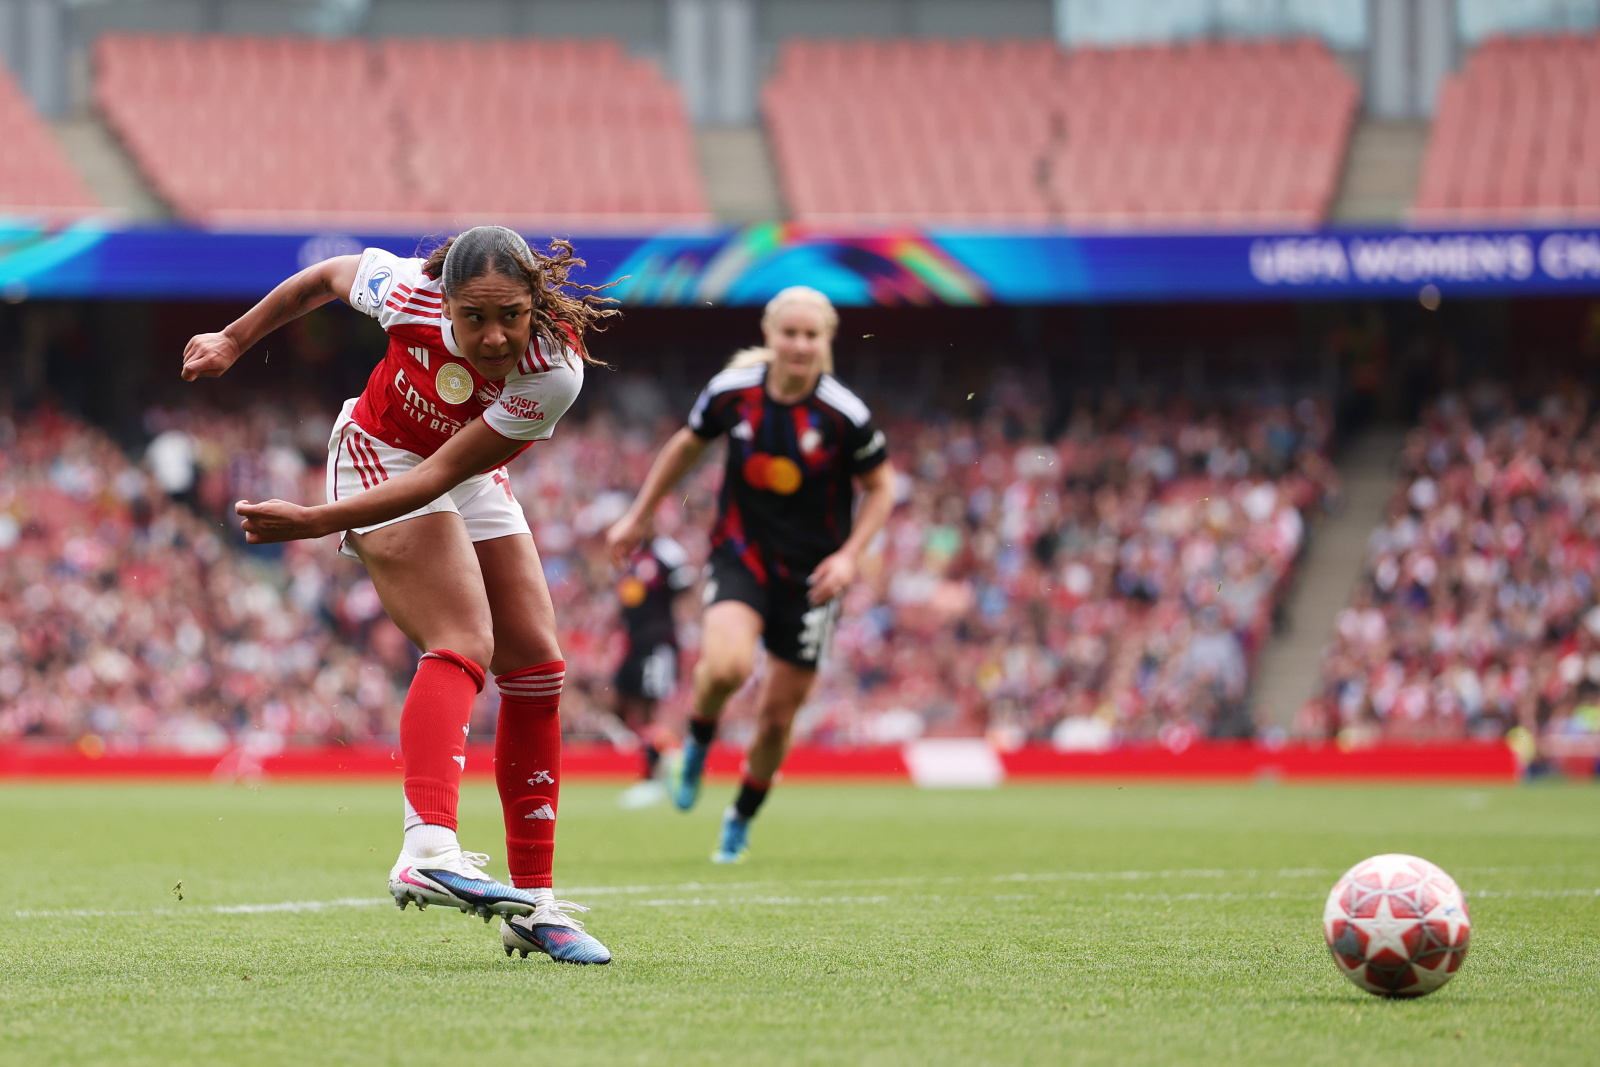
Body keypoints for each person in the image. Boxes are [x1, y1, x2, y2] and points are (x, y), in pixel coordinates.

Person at [185, 225, 615, 964]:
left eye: (509, 314)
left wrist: (315, 521)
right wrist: (231, 337)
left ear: (533, 302)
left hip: (454, 466)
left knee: (539, 666)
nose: (492, 335)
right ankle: (427, 845)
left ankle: (535, 904)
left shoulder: (555, 368)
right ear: (441, 300)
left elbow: (445, 473)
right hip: (377, 450)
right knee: (461, 636)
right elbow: (322, 278)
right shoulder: (404, 288)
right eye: (472, 317)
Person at [603, 286, 897, 863]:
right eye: (789, 332)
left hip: (813, 578)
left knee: (775, 720)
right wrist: (639, 515)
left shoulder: (844, 414)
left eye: (811, 335)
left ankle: (739, 817)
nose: (799, 344)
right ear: (769, 336)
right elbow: (686, 446)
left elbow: (882, 487)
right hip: (741, 556)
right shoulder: (732, 394)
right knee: (729, 666)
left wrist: (850, 556)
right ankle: (699, 741)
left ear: (825, 342)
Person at [613, 534, 697, 809]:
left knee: (649, 707)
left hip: (658, 643)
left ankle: (653, 778)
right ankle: (671, 754)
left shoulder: (666, 552)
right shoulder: (631, 552)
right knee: (622, 704)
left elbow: (686, 585)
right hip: (633, 644)